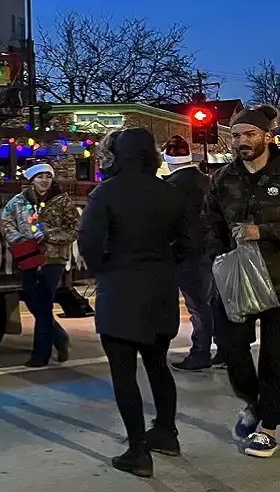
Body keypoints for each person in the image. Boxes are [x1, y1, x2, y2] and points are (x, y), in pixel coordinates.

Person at [78, 128, 196, 477]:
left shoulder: (106, 193)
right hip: (159, 289)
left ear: (116, 155)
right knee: (158, 365)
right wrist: (165, 262)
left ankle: (138, 450)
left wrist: (104, 268)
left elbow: (88, 242)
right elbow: (192, 243)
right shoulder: (172, 194)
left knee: (124, 372)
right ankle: (166, 432)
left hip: (120, 290)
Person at [203, 106, 280, 458]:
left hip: (279, 281)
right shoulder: (223, 177)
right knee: (232, 350)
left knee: (275, 359)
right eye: (236, 135)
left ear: (267, 134)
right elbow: (210, 225)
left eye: (249, 134)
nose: (241, 141)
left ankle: (268, 428)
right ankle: (254, 402)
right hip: (236, 280)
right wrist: (217, 260)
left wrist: (261, 231)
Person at [1, 162, 76, 367]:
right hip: (28, 256)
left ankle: (40, 355)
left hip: (53, 258)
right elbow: (6, 221)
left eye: (48, 176)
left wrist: (50, 234)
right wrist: (18, 238)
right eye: (40, 176)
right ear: (31, 180)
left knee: (43, 302)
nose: (44, 180)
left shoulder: (62, 201)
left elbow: (75, 228)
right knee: (34, 302)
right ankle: (59, 337)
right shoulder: (18, 202)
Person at [162, 135, 219, 371]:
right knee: (211, 303)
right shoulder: (206, 181)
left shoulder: (172, 186)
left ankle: (200, 352)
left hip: (186, 252)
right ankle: (222, 349)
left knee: (198, 306)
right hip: (210, 250)